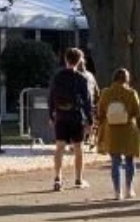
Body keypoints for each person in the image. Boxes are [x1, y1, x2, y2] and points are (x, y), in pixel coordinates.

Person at [48, 48, 93, 191]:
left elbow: (51, 97)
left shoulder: (58, 76)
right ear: (79, 61)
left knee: (59, 147)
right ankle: (79, 179)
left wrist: (51, 115)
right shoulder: (81, 78)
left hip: (61, 115)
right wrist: (90, 120)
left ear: (66, 59)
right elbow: (87, 101)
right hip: (76, 115)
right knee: (78, 148)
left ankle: (57, 177)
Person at [96, 67, 140, 200]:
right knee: (129, 160)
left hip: (111, 131)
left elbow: (100, 112)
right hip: (128, 130)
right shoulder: (131, 93)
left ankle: (117, 192)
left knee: (115, 161)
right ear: (126, 79)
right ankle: (128, 189)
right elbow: (138, 112)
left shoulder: (105, 93)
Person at [76, 58, 99, 151]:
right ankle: (92, 140)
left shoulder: (76, 76)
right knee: (89, 122)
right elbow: (97, 90)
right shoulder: (90, 75)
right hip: (90, 102)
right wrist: (96, 100)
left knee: (81, 123)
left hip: (79, 103)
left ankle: (79, 143)